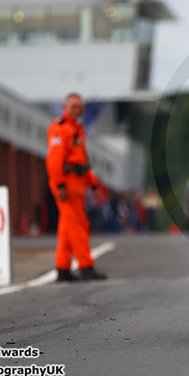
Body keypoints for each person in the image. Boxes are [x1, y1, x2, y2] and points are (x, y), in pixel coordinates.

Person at [46, 93, 107, 282]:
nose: (77, 110)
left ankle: (63, 268)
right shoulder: (60, 129)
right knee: (80, 227)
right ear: (64, 107)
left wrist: (94, 185)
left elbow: (83, 162)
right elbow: (54, 161)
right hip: (66, 183)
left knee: (67, 228)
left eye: (80, 107)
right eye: (73, 106)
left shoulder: (77, 130)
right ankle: (86, 266)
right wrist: (60, 184)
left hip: (77, 183)